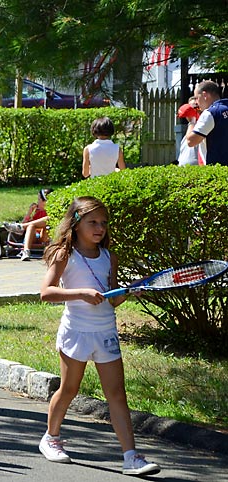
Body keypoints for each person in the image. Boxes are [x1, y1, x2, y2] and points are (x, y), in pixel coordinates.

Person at [37, 196, 161, 476]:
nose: (99, 228)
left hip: (106, 332)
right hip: (76, 331)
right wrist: (81, 293)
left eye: (103, 223)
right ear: (77, 223)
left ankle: (131, 457)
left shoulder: (109, 257)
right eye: (92, 222)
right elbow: (46, 292)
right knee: (69, 388)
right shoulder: (64, 255)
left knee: (117, 394)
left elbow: (111, 299)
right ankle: (50, 438)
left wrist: (127, 292)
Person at [185, 80, 227, 166]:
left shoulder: (210, 113)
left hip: (216, 170)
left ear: (204, 95)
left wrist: (192, 122)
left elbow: (191, 141)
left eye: (197, 97)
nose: (196, 102)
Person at [18, 188, 53, 261]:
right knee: (30, 226)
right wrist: (29, 212)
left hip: (45, 236)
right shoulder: (37, 212)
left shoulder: (51, 212)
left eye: (39, 200)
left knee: (47, 224)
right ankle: (26, 251)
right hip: (34, 236)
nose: (37, 202)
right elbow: (22, 230)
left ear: (45, 201)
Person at [176, 96, 203, 166]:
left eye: (196, 107)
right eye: (190, 108)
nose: (193, 111)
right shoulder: (189, 129)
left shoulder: (203, 128)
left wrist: (192, 121)